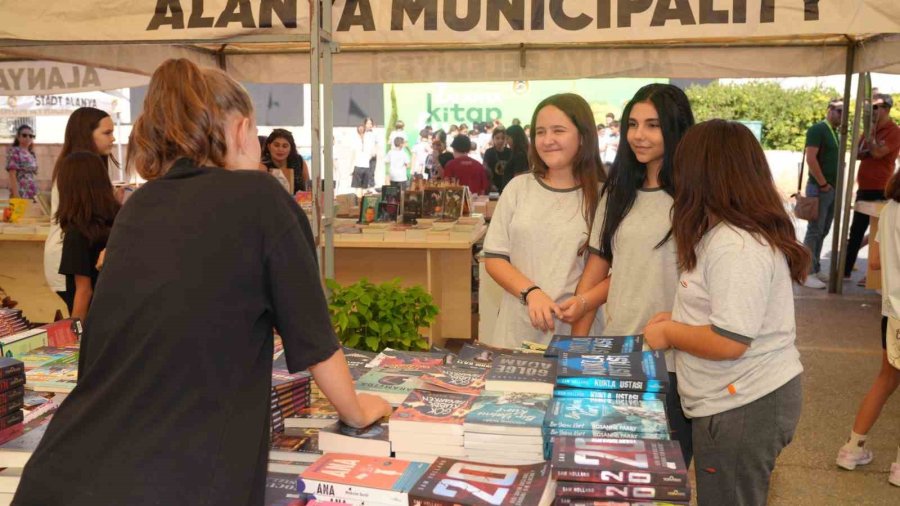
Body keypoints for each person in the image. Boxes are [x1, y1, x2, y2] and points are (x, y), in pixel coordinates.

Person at [14, 58, 391, 506]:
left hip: (64, 470)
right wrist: (358, 409)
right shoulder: (264, 200)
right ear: (240, 129)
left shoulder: (141, 202)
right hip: (179, 479)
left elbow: (98, 347)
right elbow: (315, 341)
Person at [643, 120, 806, 506]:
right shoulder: (725, 233)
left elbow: (730, 340)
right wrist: (676, 320)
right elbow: (725, 314)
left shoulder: (736, 245)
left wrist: (669, 334)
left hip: (744, 402)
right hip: (732, 398)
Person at [565, 83, 696, 464]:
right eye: (633, 124)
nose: (639, 135)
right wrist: (577, 349)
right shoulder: (618, 191)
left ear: (675, 128)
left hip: (674, 361)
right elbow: (601, 267)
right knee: (616, 470)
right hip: (618, 353)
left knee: (664, 475)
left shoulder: (696, 196)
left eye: (653, 125)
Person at [482, 93, 602, 348]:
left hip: (579, 334)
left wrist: (582, 303)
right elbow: (494, 258)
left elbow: (612, 272)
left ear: (583, 136)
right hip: (516, 333)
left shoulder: (604, 196)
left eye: (558, 131)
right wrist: (531, 293)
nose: (548, 140)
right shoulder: (518, 188)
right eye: (540, 132)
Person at [835, 167, 900, 486]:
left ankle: (851, 448)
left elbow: (873, 262)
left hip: (893, 311)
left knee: (886, 379)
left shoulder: (889, 210)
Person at [43, 107, 117, 312]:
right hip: (71, 260)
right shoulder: (75, 171)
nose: (112, 138)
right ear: (87, 134)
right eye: (107, 133)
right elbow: (86, 218)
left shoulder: (90, 167)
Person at [55, 152, 119, 320]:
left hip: (94, 323)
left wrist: (74, 339)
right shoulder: (118, 220)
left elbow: (84, 291)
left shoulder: (76, 234)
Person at [845, 94, 900, 279]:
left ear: (887, 108)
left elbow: (876, 153)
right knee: (856, 231)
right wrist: (869, 145)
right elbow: (857, 154)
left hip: (881, 189)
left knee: (882, 233)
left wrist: (869, 146)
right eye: (871, 108)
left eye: (876, 107)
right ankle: (845, 271)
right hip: (864, 188)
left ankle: (875, 276)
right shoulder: (870, 130)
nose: (872, 112)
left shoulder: (894, 131)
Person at [802, 99, 843, 289]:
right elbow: (811, 158)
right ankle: (806, 272)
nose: (842, 115)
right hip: (820, 188)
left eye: (844, 112)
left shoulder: (834, 132)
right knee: (815, 230)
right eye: (838, 111)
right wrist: (823, 183)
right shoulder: (818, 129)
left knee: (823, 230)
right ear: (829, 110)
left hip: (830, 188)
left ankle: (815, 267)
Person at [264, 128, 309, 194]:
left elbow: (308, 188)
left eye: (285, 146)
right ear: (269, 146)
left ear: (290, 148)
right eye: (276, 145)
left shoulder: (299, 161)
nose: (280, 149)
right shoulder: (263, 165)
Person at [5, 125, 38, 199]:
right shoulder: (14, 151)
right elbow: (12, 175)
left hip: (32, 191)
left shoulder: (31, 153)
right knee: (21, 211)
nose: (28, 138)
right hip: (20, 192)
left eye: (31, 136)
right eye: (24, 135)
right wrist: (16, 196)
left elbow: (32, 175)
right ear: (18, 137)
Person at [499, 125, 530, 192]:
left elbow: (518, 177)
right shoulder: (518, 153)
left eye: (508, 138)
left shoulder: (519, 155)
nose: (506, 142)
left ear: (515, 138)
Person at [483, 127, 510, 191]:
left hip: (508, 185)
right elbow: (485, 169)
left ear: (506, 139)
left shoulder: (510, 152)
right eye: (497, 138)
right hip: (493, 185)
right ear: (493, 139)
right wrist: (491, 184)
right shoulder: (489, 152)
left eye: (503, 138)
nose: (500, 140)